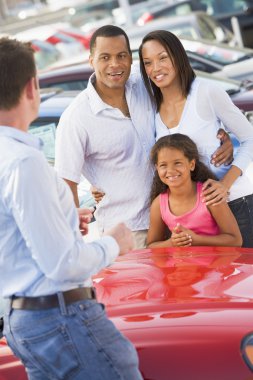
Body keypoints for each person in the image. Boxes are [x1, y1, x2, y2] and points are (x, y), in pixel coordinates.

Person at [0, 37, 143, 380]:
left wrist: (63, 218)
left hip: (26, 322)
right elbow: (62, 264)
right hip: (61, 319)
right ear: (32, 87)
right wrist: (115, 243)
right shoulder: (23, 161)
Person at [55, 25, 233, 249]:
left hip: (177, 220)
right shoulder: (76, 117)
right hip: (128, 231)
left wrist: (223, 136)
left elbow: (187, 103)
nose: (115, 64)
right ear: (91, 60)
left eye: (121, 55)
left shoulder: (144, 84)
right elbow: (66, 183)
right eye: (105, 57)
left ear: (131, 58)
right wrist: (73, 244)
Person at [139, 30, 253, 247]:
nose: (156, 68)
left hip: (236, 203)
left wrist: (225, 185)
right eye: (148, 62)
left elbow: (250, 138)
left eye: (163, 58)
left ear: (178, 56)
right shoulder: (151, 109)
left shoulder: (207, 92)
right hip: (198, 220)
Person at [147, 134, 242, 247]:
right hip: (180, 264)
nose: (170, 170)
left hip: (213, 263)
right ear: (157, 168)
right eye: (163, 165)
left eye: (177, 163)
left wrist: (196, 240)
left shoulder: (209, 195)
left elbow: (235, 240)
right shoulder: (158, 204)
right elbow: (151, 246)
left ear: (191, 164)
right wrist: (171, 243)